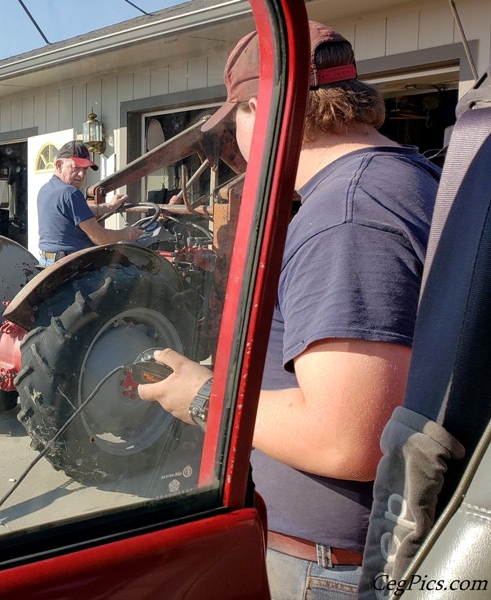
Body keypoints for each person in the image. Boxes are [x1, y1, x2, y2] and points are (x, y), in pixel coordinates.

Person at [138, 21, 440, 599]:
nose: (237, 147)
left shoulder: (348, 213)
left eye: (235, 125)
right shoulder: (407, 177)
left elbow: (346, 438)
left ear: (262, 108)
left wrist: (203, 394)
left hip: (333, 570)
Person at [37, 141, 141, 266]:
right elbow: (101, 238)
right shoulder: (70, 193)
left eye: (85, 169)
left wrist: (110, 207)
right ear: (59, 165)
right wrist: (127, 234)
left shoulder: (46, 190)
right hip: (70, 267)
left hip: (47, 262)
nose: (81, 175)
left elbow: (78, 213)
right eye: (76, 167)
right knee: (131, 275)